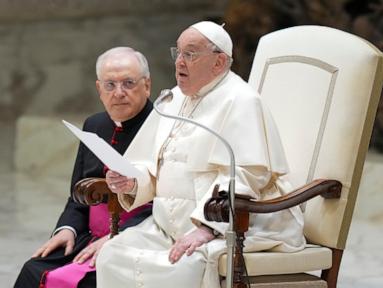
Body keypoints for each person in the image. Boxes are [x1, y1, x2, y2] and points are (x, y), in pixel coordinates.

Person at [97, 21, 306, 288]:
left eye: (190, 54)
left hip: (227, 226)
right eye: (178, 53)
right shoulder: (171, 99)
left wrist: (206, 228)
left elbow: (247, 173)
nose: (179, 63)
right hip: (166, 227)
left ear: (219, 63)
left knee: (181, 268)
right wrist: (132, 182)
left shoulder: (241, 101)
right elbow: (150, 163)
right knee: (112, 255)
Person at [14, 47, 153, 288]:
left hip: (138, 237)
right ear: (99, 89)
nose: (119, 93)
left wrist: (118, 237)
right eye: (110, 85)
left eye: (128, 83)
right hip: (88, 238)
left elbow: (167, 202)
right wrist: (66, 229)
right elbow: (78, 194)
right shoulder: (95, 124)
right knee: (34, 269)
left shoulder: (163, 127)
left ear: (147, 85)